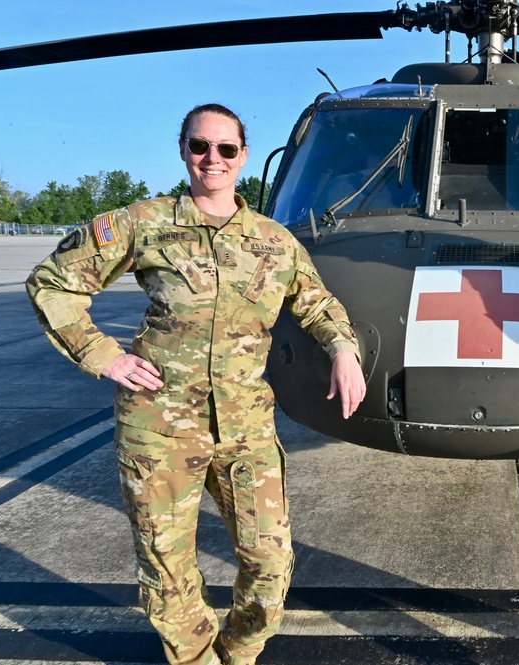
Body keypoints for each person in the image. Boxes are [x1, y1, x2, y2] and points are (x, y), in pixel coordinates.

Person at [25, 103, 367, 665]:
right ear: (184, 151)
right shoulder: (143, 224)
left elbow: (318, 304)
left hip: (245, 430)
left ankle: (238, 651)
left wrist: (343, 350)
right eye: (200, 146)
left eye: (225, 148)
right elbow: (53, 282)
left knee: (271, 563)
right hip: (158, 427)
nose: (213, 159)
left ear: (243, 156)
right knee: (167, 566)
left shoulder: (274, 241)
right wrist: (104, 355)